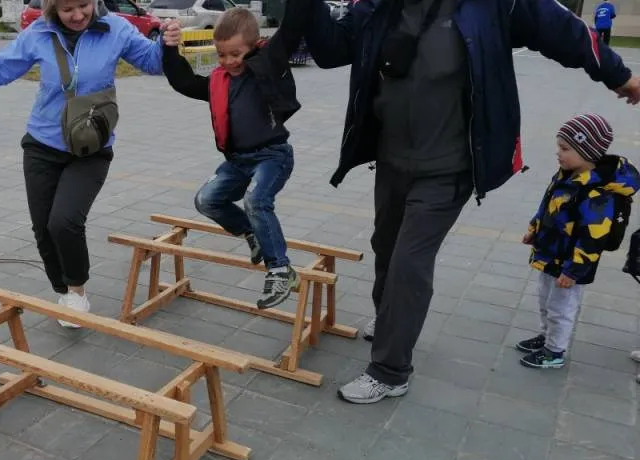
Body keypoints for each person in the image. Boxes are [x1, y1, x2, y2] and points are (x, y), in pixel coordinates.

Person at [296, 0, 640, 404]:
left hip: (450, 166)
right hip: (392, 160)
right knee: (386, 249)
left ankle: (389, 371)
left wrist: (619, 75)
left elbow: (562, 29)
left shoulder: (493, 5)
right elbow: (332, 49)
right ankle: (392, 320)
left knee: (410, 261)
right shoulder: (381, 6)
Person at [0, 0, 164, 327]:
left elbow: (152, 62)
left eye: (84, 5)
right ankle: (63, 289)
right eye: (68, 9)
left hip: (92, 147)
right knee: (43, 228)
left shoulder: (116, 29)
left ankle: (77, 292)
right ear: (53, 7)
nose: (78, 15)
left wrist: (168, 40)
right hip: (42, 145)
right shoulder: (38, 33)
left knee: (63, 221)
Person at [159, 3, 305, 310]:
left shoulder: (268, 64)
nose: (228, 61)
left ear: (253, 47)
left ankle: (280, 269)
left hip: (273, 156)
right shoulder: (219, 81)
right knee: (207, 200)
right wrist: (171, 49)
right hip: (238, 161)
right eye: (221, 54)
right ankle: (251, 232)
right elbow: (184, 82)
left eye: (236, 54)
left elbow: (291, 31)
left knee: (256, 200)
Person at [518, 113, 637, 369]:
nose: (558, 154)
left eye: (565, 148)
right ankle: (546, 336)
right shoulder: (566, 174)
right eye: (558, 147)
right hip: (550, 253)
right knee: (545, 300)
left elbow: (593, 238)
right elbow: (547, 205)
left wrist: (574, 270)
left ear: (589, 152)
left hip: (571, 264)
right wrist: (534, 228)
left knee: (561, 308)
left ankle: (555, 351)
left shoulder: (597, 194)